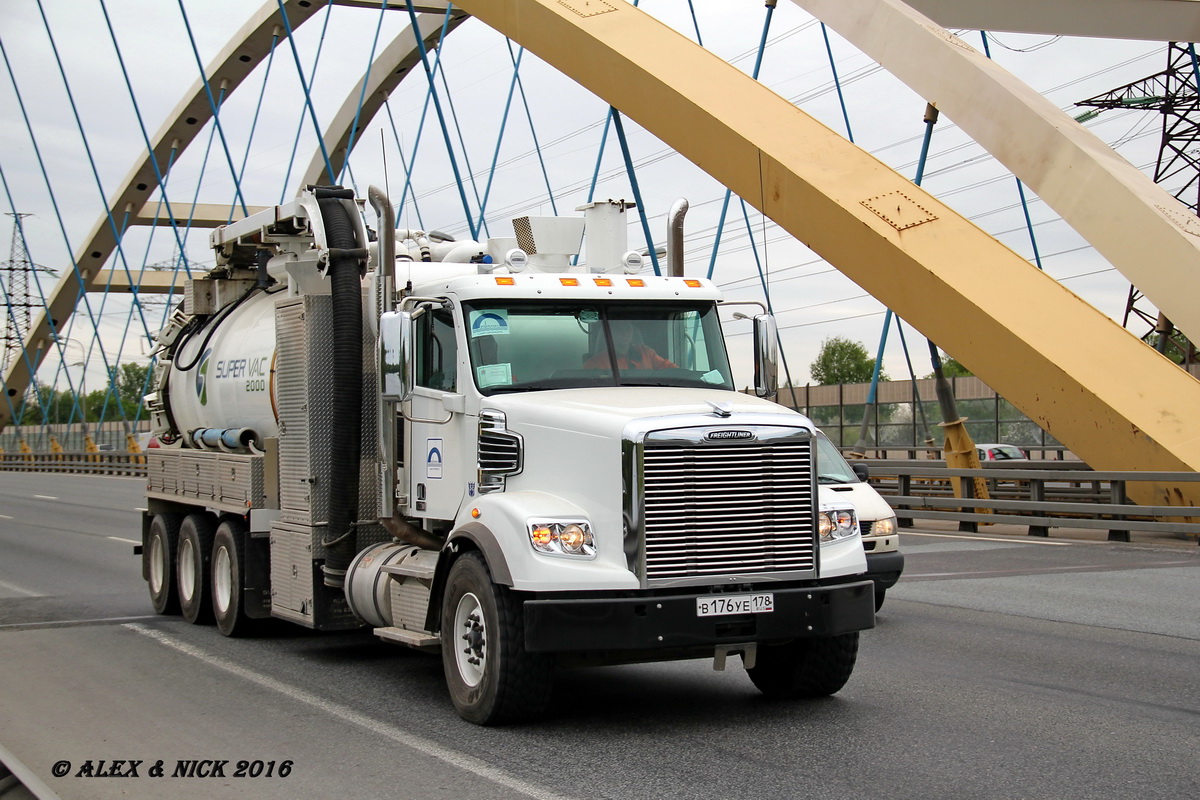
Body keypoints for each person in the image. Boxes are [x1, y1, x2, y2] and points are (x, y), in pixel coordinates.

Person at [584, 319, 676, 370]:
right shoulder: (595, 362)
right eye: (619, 330)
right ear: (610, 333)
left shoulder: (647, 353)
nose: (625, 334)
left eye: (628, 329)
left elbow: (669, 368)